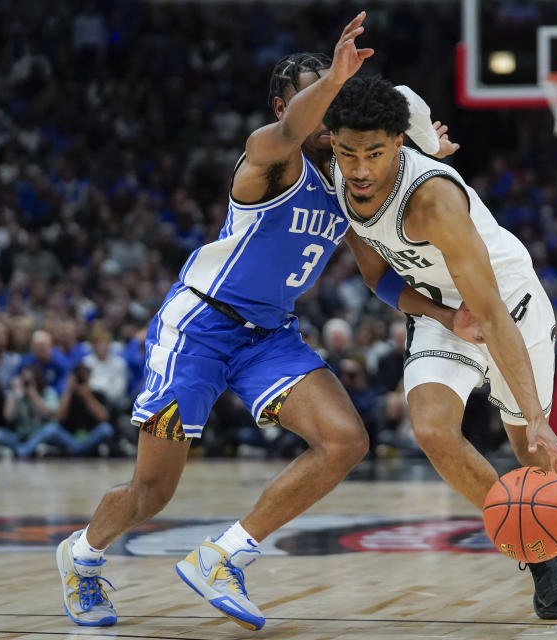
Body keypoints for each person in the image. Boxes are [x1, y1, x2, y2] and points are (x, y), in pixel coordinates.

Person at [55, 14, 472, 631]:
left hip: (268, 335)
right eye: (321, 95)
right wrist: (335, 76)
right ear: (289, 103)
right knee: (152, 492)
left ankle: (224, 556)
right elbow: (291, 129)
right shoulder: (267, 159)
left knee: (346, 440)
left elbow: (379, 277)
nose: (330, 111)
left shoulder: (345, 183)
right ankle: (82, 556)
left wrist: (446, 310)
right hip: (200, 325)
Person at [325, 75, 557, 620]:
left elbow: (488, 310)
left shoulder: (434, 200)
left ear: (398, 144)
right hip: (444, 307)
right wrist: (443, 315)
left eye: (374, 153)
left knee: (529, 447)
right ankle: (533, 541)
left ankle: (553, 522)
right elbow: (378, 279)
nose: (361, 168)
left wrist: (537, 414)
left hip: (505, 301)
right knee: (432, 430)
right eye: (348, 153)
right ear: (332, 144)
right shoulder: (340, 182)